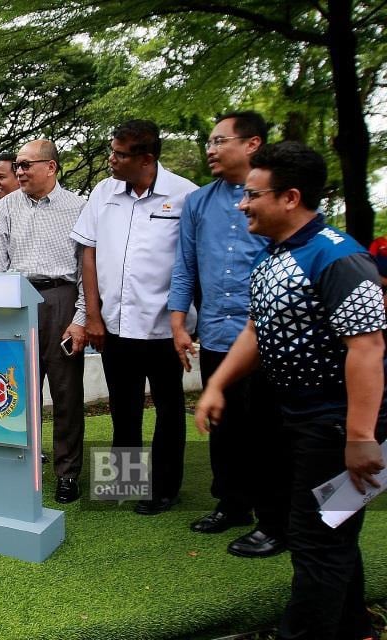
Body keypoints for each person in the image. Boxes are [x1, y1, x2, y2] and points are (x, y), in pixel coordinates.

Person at [195, 141, 386, 639]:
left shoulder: (339, 258)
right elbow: (256, 331)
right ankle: (355, 627)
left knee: (316, 538)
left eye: (252, 195)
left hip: (337, 425)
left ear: (290, 197)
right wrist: (217, 383)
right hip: (295, 419)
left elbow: (366, 350)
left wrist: (361, 436)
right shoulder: (277, 255)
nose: (242, 204)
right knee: (328, 535)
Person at [168, 111, 288, 557]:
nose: (211, 149)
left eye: (220, 141)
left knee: (268, 431)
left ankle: (275, 520)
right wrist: (180, 322)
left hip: (268, 338)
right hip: (217, 333)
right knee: (224, 427)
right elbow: (185, 267)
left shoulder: (277, 200)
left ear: (252, 144)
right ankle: (232, 504)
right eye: (209, 142)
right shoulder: (198, 202)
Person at [69, 120, 198, 515]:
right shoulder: (104, 193)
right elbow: (87, 252)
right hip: (114, 326)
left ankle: (163, 489)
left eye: (119, 154)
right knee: (122, 407)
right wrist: (92, 315)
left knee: (169, 408)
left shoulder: (184, 196)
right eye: (112, 150)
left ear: (146, 158)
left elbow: (192, 263)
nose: (111, 159)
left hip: (165, 327)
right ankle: (125, 481)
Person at [0, 139, 88, 503]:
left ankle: (67, 473)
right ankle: (19, 467)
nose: (20, 171)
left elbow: (87, 271)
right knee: (15, 391)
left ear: (52, 167)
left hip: (62, 300)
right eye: (18, 165)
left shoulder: (79, 207)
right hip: (16, 301)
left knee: (66, 393)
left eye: (27, 165)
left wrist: (81, 318)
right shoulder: (5, 207)